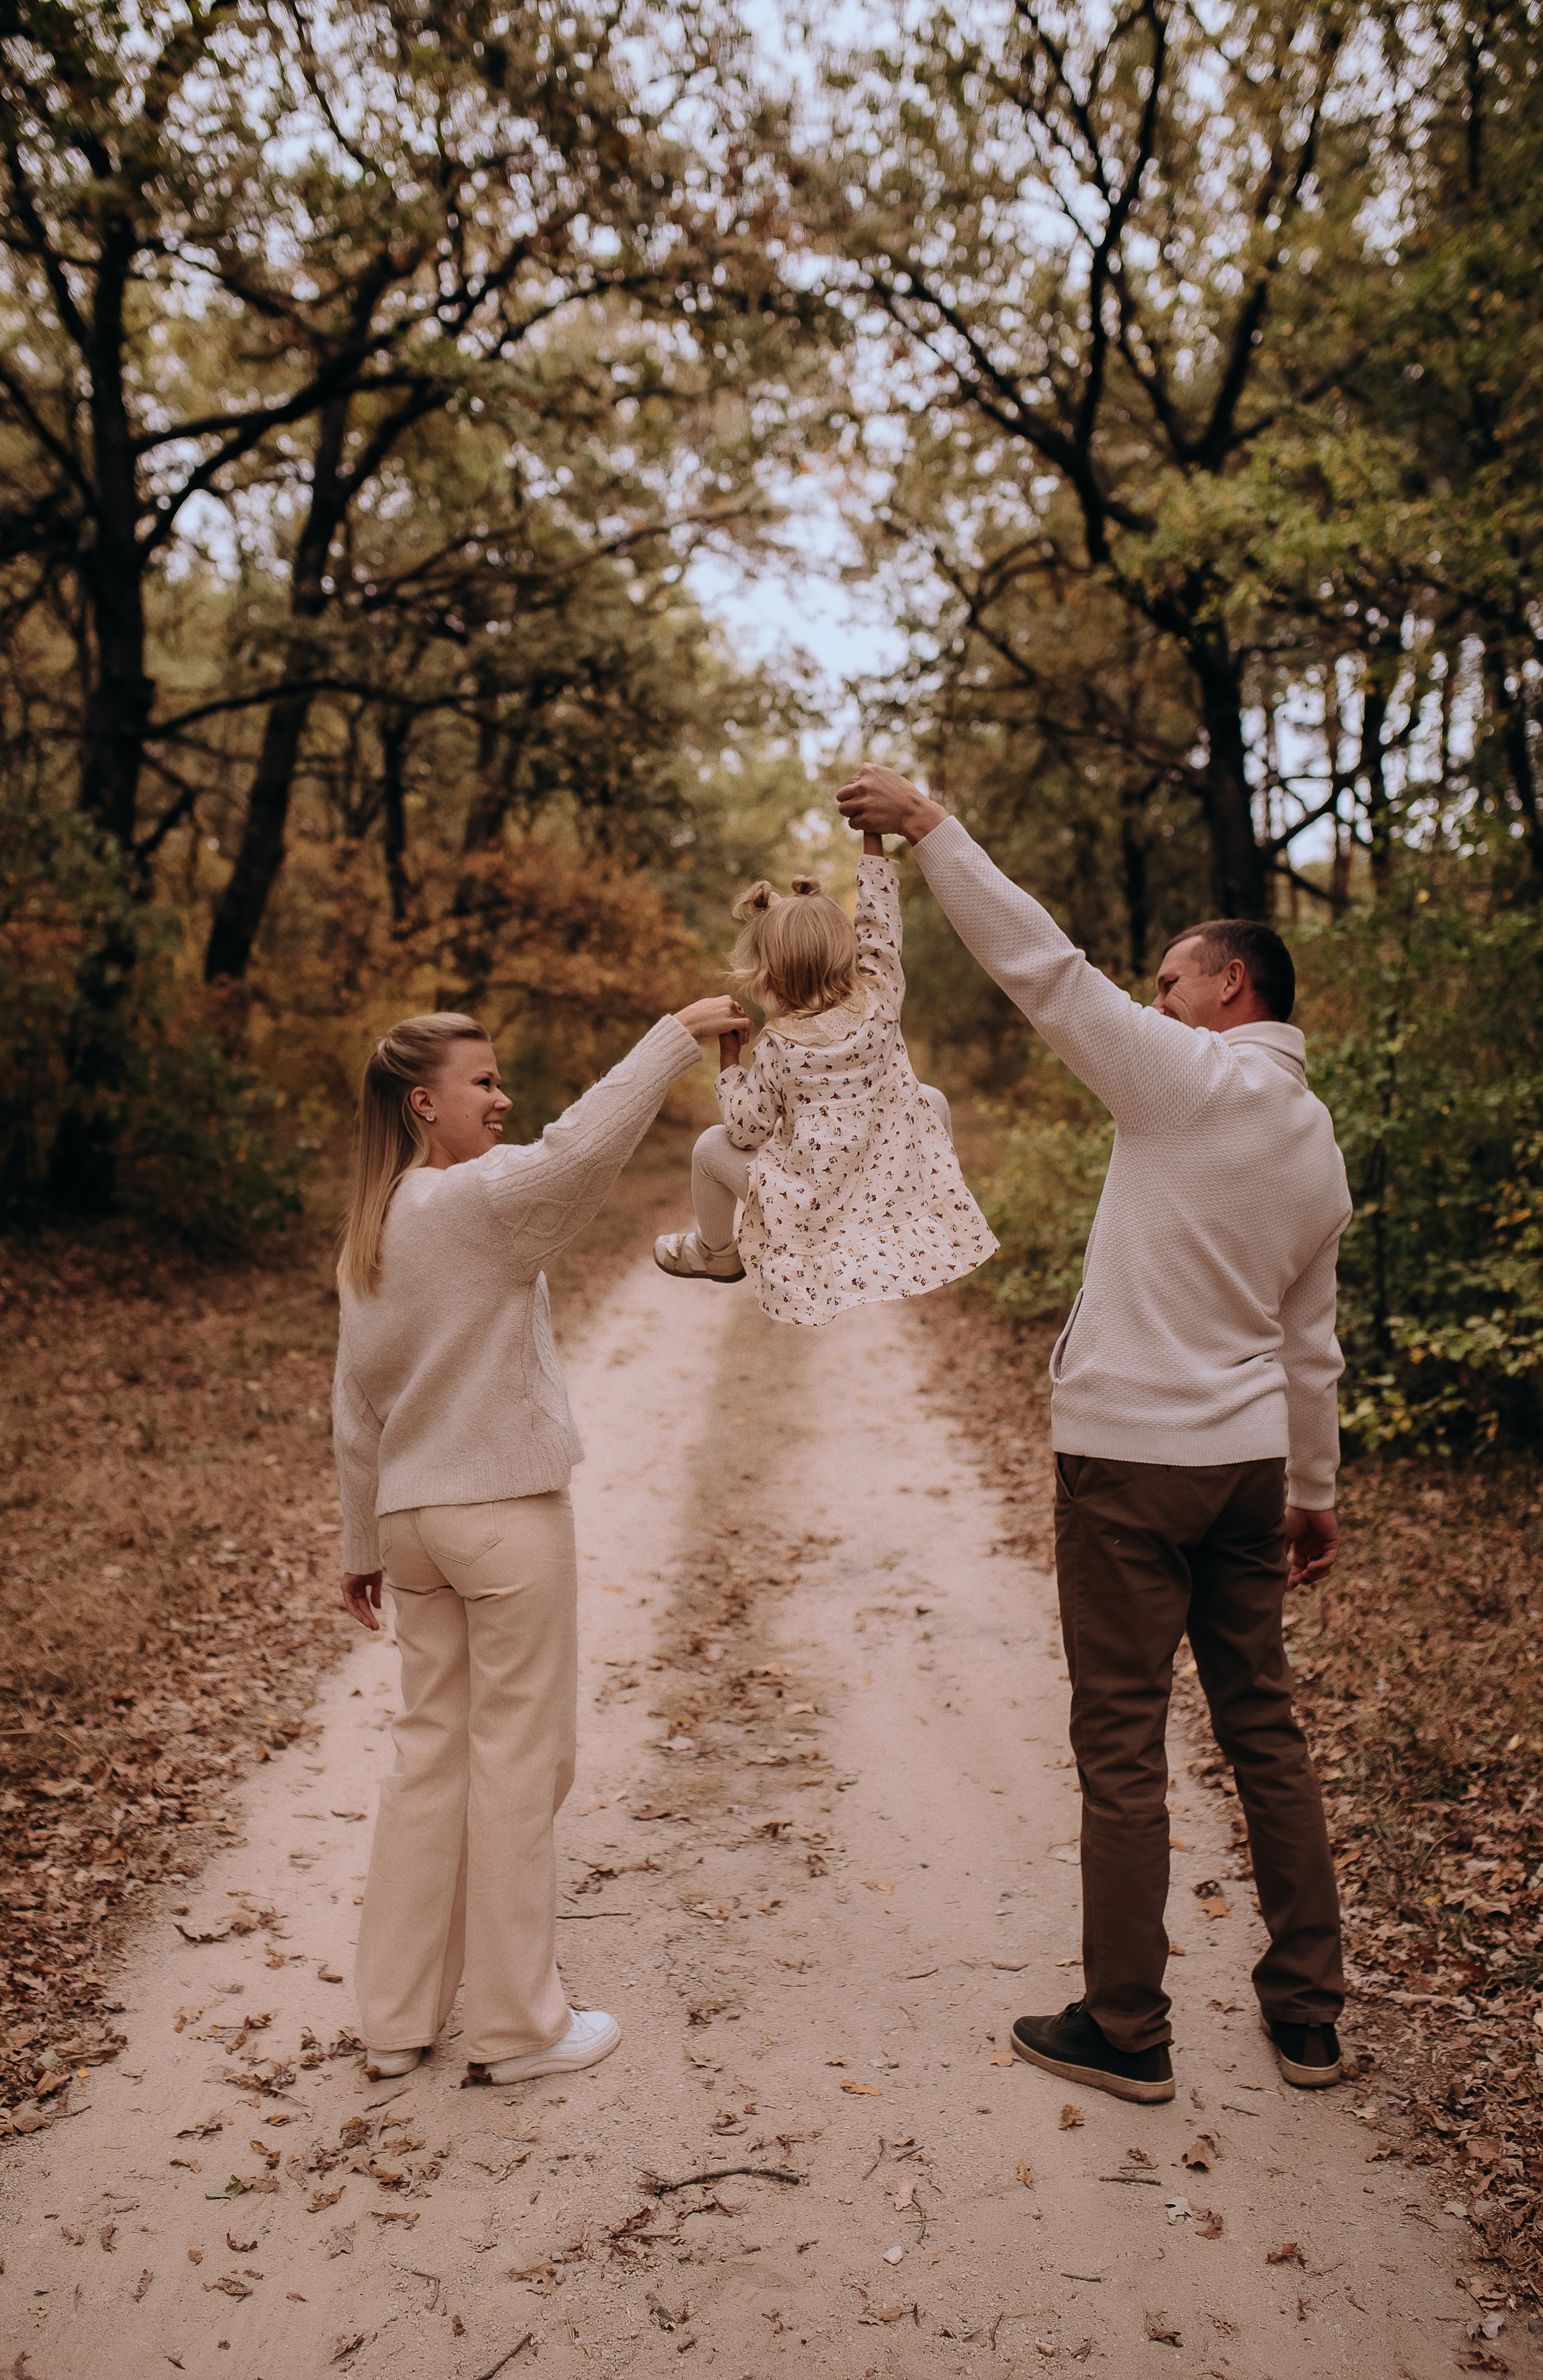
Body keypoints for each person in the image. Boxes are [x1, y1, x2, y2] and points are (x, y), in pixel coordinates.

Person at [836, 764, 1352, 2107]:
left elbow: (1042, 970)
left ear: (1230, 988)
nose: (1157, 996)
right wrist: (1312, 1491)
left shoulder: (1182, 1080)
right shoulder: (1314, 1141)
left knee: (1120, 1741)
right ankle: (1306, 2019)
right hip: (1246, 1473)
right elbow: (1309, 1343)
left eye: (1174, 978)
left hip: (1131, 1467)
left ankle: (1125, 2029)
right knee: (1264, 1732)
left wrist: (936, 829)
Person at [333, 994, 745, 2086]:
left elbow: (354, 1407)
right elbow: (585, 1146)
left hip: (415, 1525)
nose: (503, 1096)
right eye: (484, 1082)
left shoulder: (374, 1225)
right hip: (503, 1517)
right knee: (520, 1763)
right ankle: (518, 2029)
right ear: (427, 1104)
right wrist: (678, 1033)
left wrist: (359, 1539)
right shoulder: (478, 1198)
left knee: (429, 1760)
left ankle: (395, 2022)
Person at [653, 838, 996, 1324]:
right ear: (849, 952)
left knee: (709, 1149)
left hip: (812, 1211)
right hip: (883, 1185)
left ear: (768, 974)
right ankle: (923, 1209)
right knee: (930, 1100)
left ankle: (717, 1253)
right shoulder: (881, 1000)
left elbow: (745, 1131)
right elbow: (882, 926)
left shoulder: (778, 1047)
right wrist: (872, 841)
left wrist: (730, 1061)